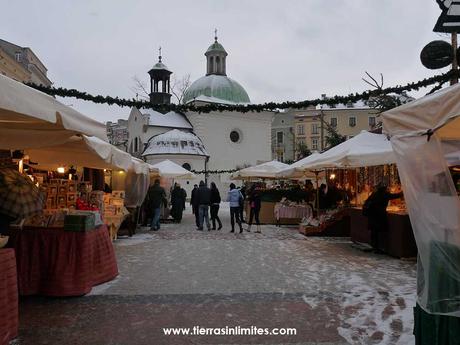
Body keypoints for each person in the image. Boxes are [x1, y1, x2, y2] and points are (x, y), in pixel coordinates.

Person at [364, 183, 403, 253]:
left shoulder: (374, 194)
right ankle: (379, 248)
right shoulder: (385, 194)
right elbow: (395, 196)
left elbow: (367, 201)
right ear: (384, 189)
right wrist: (404, 191)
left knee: (374, 232)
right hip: (380, 216)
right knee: (380, 232)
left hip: (372, 215)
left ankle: (374, 247)